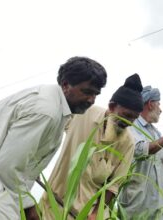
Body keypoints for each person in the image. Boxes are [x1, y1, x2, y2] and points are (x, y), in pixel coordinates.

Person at [0, 56, 107, 219]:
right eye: (86, 92)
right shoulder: (46, 111)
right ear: (66, 85)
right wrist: (29, 206)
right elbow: (6, 167)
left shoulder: (54, 105)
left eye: (96, 94)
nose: (91, 100)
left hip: (5, 189)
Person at [40, 73, 143, 219]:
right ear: (112, 106)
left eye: (134, 118)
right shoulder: (83, 113)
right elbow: (54, 126)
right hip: (53, 205)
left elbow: (113, 186)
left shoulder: (127, 143)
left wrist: (95, 214)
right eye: (126, 115)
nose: (129, 122)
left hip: (86, 213)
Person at [118, 86, 163, 219]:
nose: (161, 109)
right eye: (159, 104)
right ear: (150, 104)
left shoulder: (156, 133)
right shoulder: (131, 126)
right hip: (138, 206)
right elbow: (140, 150)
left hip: (160, 206)